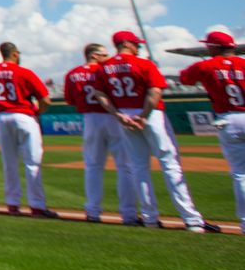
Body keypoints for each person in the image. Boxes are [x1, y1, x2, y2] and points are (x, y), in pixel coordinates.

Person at [97, 31, 218, 232]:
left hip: (125, 115)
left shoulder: (104, 68)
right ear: (126, 43)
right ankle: (192, 220)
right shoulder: (143, 63)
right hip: (150, 115)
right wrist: (144, 115)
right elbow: (155, 91)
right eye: (136, 44)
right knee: (169, 164)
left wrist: (117, 114)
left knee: (138, 167)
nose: (139, 47)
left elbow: (100, 94)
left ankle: (149, 219)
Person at [0, 42, 57, 217]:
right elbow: (46, 99)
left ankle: (12, 204)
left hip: (1, 116)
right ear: (14, 54)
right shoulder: (24, 72)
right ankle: (37, 206)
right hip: (23, 116)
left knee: (9, 163)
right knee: (32, 162)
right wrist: (37, 112)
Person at [179, 29, 245, 234]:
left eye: (208, 45)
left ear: (215, 47)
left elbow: (185, 79)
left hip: (229, 119)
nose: (206, 48)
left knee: (241, 174)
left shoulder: (205, 65)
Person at [63, 43, 136, 224]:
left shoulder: (72, 74)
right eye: (104, 54)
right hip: (113, 117)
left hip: (90, 119)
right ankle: (129, 214)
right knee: (125, 166)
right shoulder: (107, 70)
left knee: (93, 166)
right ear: (94, 55)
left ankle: (93, 211)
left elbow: (71, 100)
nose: (107, 57)